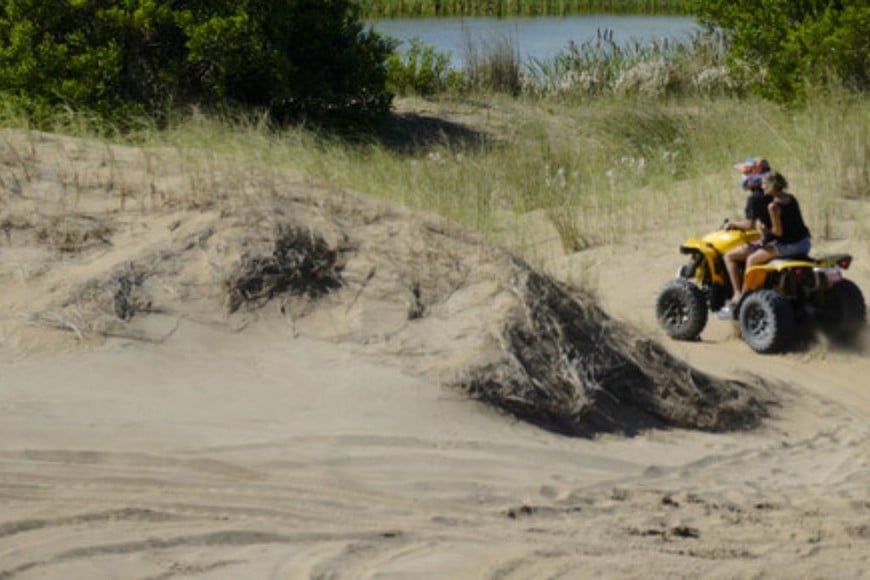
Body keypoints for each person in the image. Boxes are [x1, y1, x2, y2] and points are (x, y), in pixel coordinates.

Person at [719, 171, 812, 317]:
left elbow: (778, 232)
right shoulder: (791, 198)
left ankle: (743, 298)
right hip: (804, 243)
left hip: (788, 246)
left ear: (772, 186)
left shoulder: (773, 206)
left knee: (751, 259)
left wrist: (765, 229)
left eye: (764, 185)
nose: (762, 187)